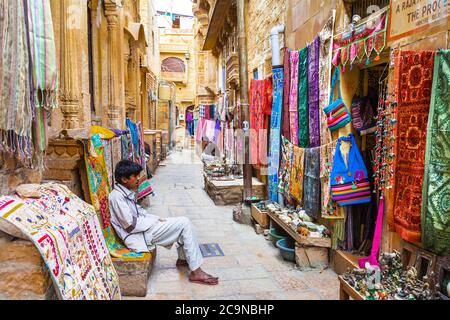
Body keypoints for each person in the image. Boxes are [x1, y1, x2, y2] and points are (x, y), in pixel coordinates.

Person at [108, 160, 219, 285]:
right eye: (135, 176)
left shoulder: (124, 193)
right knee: (184, 223)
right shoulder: (116, 197)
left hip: (143, 230)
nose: (139, 179)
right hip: (138, 236)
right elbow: (130, 225)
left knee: (182, 224)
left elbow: (138, 212)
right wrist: (153, 221)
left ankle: (183, 259)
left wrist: (154, 218)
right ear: (124, 179)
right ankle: (196, 271)